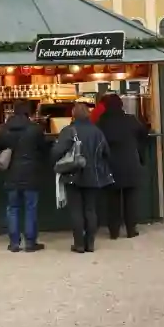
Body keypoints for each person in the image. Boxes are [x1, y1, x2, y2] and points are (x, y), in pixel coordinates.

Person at [51, 102, 113, 254]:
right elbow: (107, 153)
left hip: (73, 174)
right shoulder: (97, 132)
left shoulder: (69, 131)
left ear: (73, 115)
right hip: (94, 175)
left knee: (76, 210)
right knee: (90, 209)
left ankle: (79, 244)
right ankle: (90, 243)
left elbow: (56, 152)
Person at [0, 100, 47, 253]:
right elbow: (44, 149)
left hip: (11, 173)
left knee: (13, 208)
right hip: (31, 173)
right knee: (30, 208)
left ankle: (14, 242)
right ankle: (30, 242)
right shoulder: (35, 129)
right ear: (28, 112)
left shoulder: (4, 129)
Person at [96, 93, 150, 240]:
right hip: (130, 164)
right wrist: (139, 150)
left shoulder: (101, 123)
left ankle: (114, 231)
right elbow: (144, 134)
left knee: (112, 201)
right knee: (130, 200)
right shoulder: (131, 120)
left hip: (110, 166)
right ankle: (131, 230)